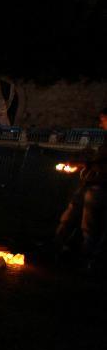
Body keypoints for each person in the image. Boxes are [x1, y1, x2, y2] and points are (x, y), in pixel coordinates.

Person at [56, 108, 107, 270]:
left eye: (102, 119)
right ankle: (60, 246)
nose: (100, 123)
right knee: (73, 217)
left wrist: (82, 165)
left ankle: (88, 259)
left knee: (89, 225)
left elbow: (101, 164)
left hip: (99, 187)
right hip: (90, 185)